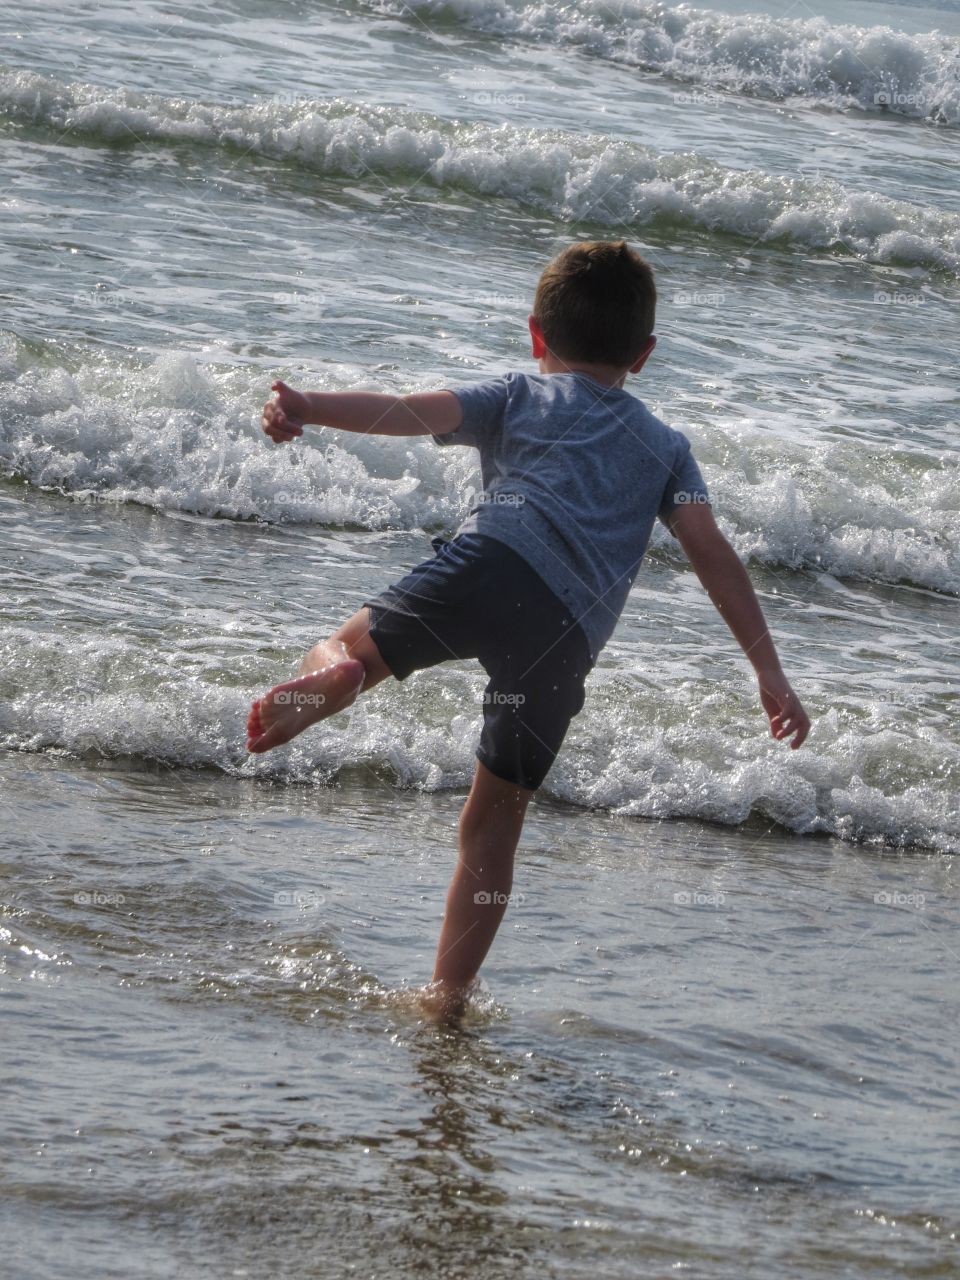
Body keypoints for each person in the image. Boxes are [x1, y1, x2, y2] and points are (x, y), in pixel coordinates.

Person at [246, 240, 810, 1018]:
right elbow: (712, 552)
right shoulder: (668, 448)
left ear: (536, 334)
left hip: (493, 558)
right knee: (493, 827)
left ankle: (342, 676)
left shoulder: (516, 394)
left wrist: (308, 405)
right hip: (564, 640)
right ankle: (446, 995)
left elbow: (408, 412)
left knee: (348, 646)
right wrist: (768, 674)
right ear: (643, 356)